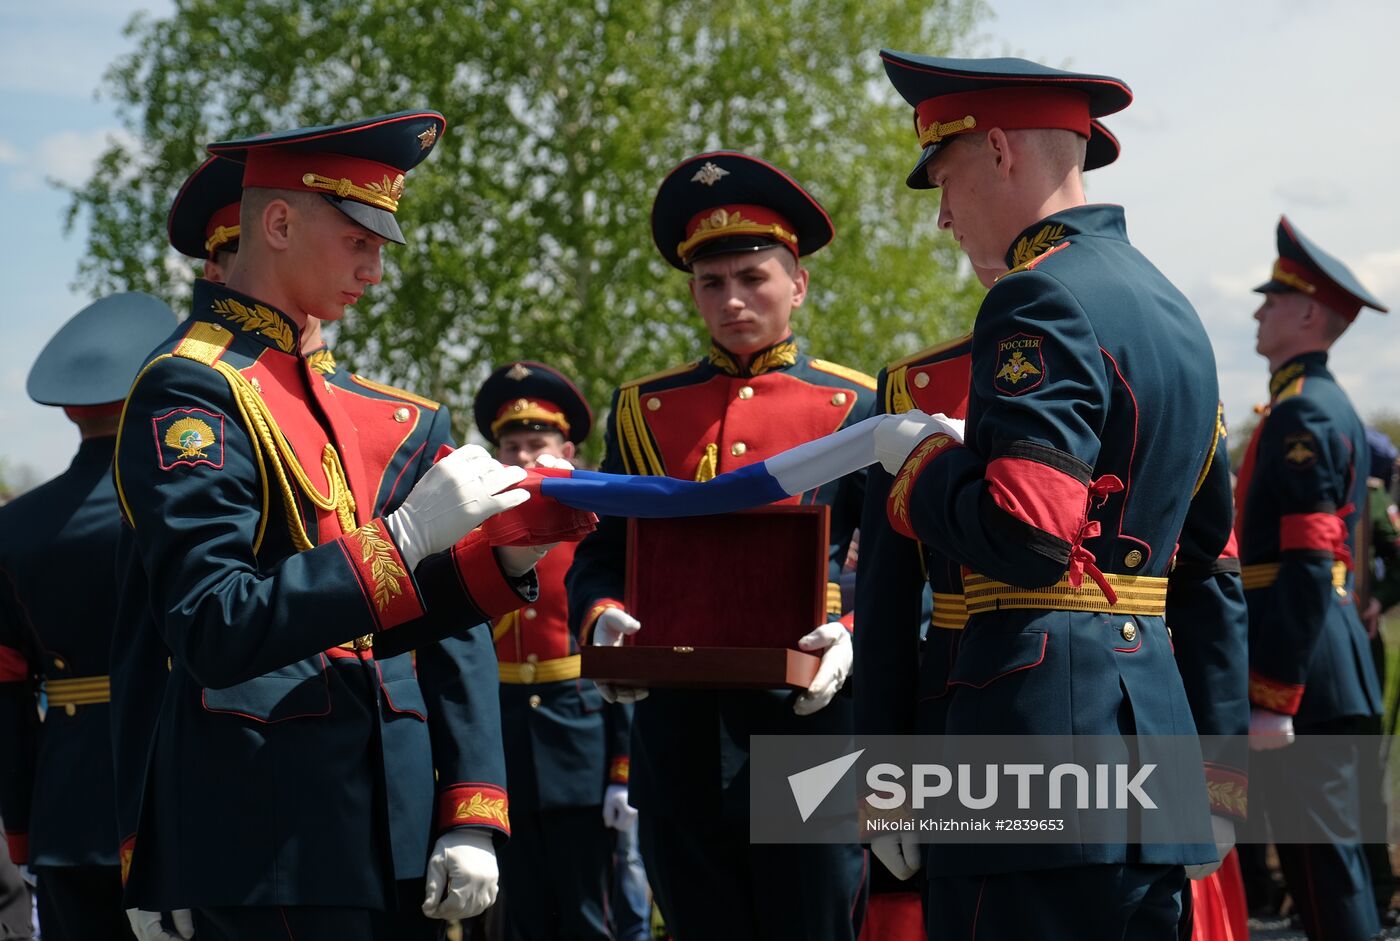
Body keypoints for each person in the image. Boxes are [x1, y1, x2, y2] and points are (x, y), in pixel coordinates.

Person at [111, 111, 551, 941]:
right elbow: (209, 624)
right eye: (360, 241)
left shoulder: (372, 408)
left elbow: (403, 631)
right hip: (271, 824)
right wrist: (406, 539)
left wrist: (503, 557)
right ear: (277, 223)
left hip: (396, 816)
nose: (375, 272)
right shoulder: (190, 390)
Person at [862, 52, 1242, 938]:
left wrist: (917, 468)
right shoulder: (1175, 310)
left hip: (1027, 740)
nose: (945, 217)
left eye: (946, 180)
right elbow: (1207, 563)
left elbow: (1029, 527)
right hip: (1152, 742)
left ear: (999, 151)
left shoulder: (1038, 298)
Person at [567, 151, 874, 940]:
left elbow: (903, 561)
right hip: (681, 742)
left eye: (753, 276)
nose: (733, 299)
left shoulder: (857, 407)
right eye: (712, 282)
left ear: (798, 283)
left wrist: (853, 631)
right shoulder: (642, 408)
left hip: (808, 731)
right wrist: (601, 617)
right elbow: (605, 551)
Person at [0, 293, 176, 941]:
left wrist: (22, 825)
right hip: (177, 791)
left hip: (67, 808)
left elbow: (9, 699)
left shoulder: (12, 529)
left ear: (69, 408)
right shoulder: (177, 505)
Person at [1235, 216, 1389, 940]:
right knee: (1332, 867)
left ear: (1306, 314)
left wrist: (1272, 691)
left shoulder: (1302, 413)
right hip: (1328, 660)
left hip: (1305, 669)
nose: (1258, 311)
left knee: (1326, 876)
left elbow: (1304, 558)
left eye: (1273, 300)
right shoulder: (1326, 406)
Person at [472, 361, 639, 940]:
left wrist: (623, 770)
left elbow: (618, 652)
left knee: (589, 909)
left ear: (566, 447)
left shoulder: (593, 524)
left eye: (536, 444)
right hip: (507, 740)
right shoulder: (476, 531)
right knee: (522, 911)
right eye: (511, 446)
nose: (522, 457)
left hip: (581, 736)